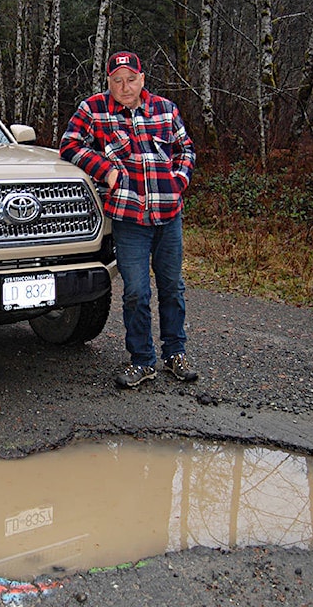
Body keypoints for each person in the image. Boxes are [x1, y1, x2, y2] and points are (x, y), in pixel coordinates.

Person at [60, 51, 198, 388]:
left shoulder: (166, 110)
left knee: (172, 287)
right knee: (136, 292)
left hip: (169, 216)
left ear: (142, 79)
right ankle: (142, 361)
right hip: (128, 218)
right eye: (117, 80)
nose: (125, 86)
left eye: (131, 79)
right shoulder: (93, 109)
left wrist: (178, 181)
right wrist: (105, 170)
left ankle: (175, 354)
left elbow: (186, 150)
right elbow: (69, 145)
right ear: (109, 82)